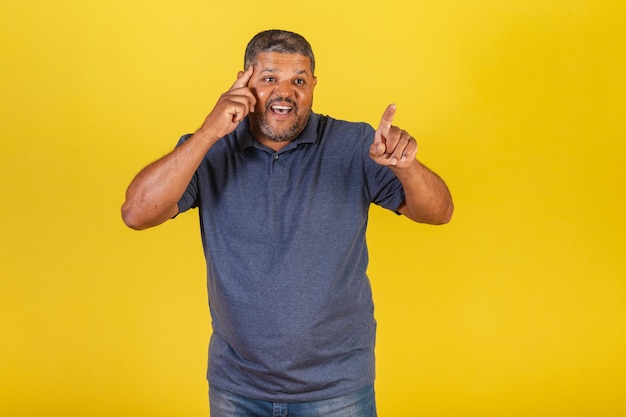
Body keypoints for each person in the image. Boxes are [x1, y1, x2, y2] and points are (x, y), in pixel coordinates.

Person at [122, 29, 453, 417]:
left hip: (338, 388)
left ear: (313, 85)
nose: (285, 92)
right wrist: (210, 130)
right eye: (269, 79)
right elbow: (137, 213)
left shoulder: (355, 144)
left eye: (298, 80)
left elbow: (437, 212)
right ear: (244, 82)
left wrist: (407, 166)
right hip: (238, 387)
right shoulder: (210, 150)